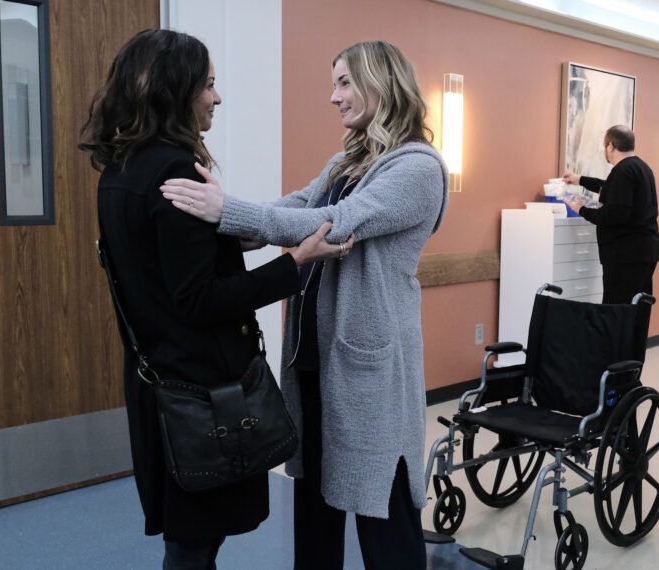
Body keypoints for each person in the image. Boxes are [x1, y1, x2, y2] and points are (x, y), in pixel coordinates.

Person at [160, 40, 448, 569]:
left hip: (372, 376)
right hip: (315, 366)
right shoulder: (346, 161)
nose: (333, 96)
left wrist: (227, 212)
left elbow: (333, 225)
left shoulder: (419, 169)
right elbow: (291, 207)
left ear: (380, 84)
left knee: (383, 520)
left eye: (343, 83)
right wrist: (220, 226)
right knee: (315, 513)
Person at [79, 29, 346, 569]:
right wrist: (293, 263)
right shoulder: (174, 170)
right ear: (175, 91)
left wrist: (233, 232)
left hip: (160, 379)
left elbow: (165, 263)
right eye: (209, 85)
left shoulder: (121, 170)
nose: (217, 98)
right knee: (194, 544)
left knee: (191, 539)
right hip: (201, 392)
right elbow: (199, 300)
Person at [561, 125, 659, 304]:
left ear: (611, 146)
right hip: (646, 250)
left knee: (618, 309)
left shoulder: (622, 171)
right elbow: (611, 188)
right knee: (640, 307)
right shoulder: (642, 168)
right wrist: (580, 180)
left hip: (626, 255)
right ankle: (637, 334)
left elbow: (615, 215)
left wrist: (582, 210)